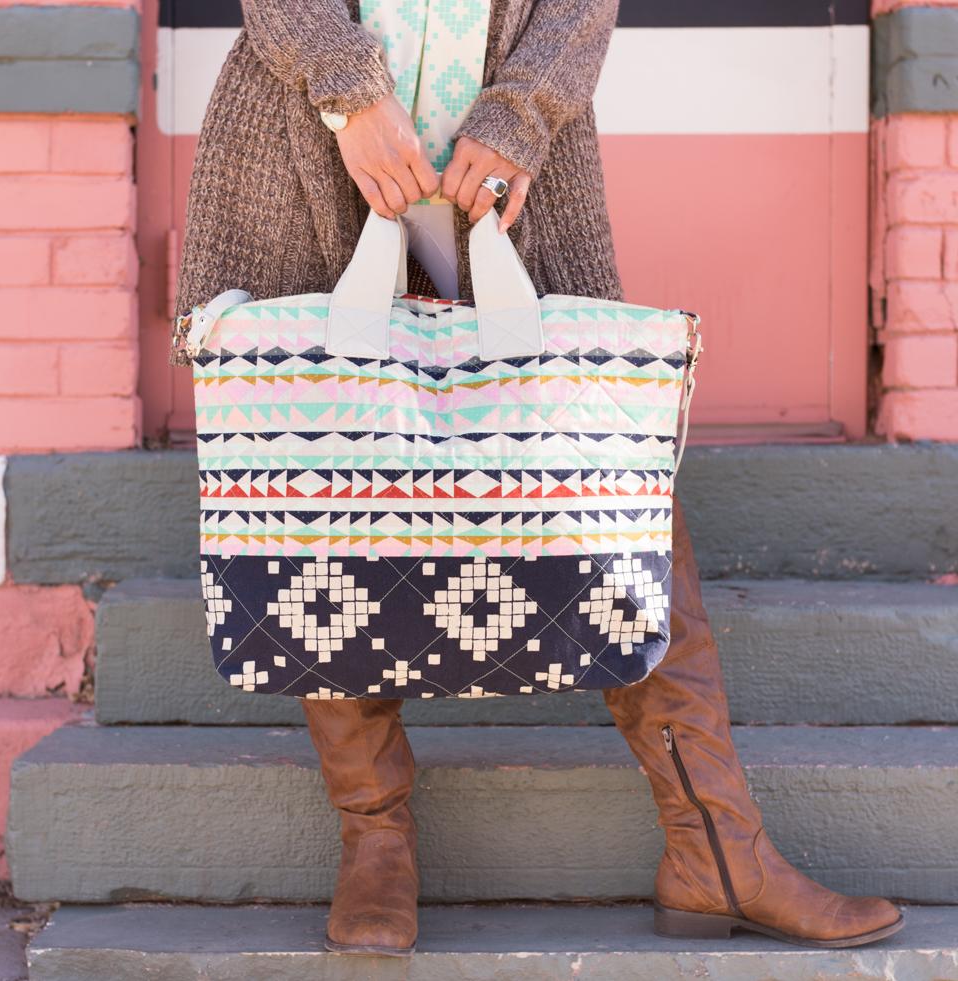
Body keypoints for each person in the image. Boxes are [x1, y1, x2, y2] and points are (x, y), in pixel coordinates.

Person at [170, 0, 903, 958]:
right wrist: (349, 96)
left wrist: (520, 114)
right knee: (329, 469)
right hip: (311, 135)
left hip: (512, 153)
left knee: (605, 469)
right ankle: (375, 839)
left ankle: (714, 845)